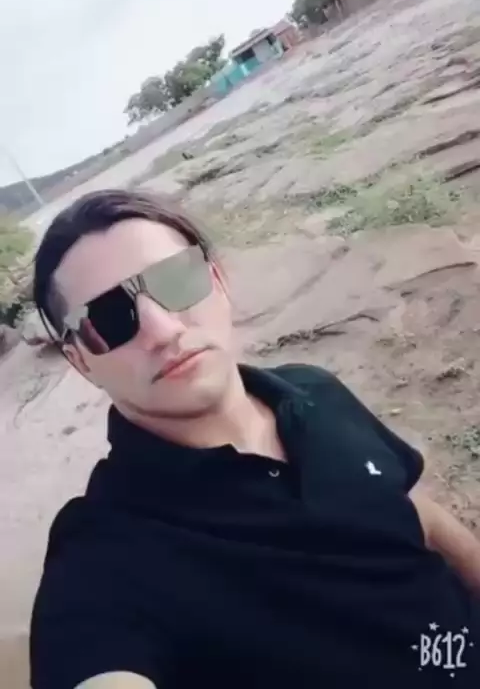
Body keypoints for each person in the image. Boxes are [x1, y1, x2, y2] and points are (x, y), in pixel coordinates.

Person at [29, 188, 480, 689]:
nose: (163, 330)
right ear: (81, 361)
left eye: (176, 279)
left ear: (218, 281)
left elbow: (417, 514)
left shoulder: (315, 391)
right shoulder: (106, 555)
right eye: (109, 319)